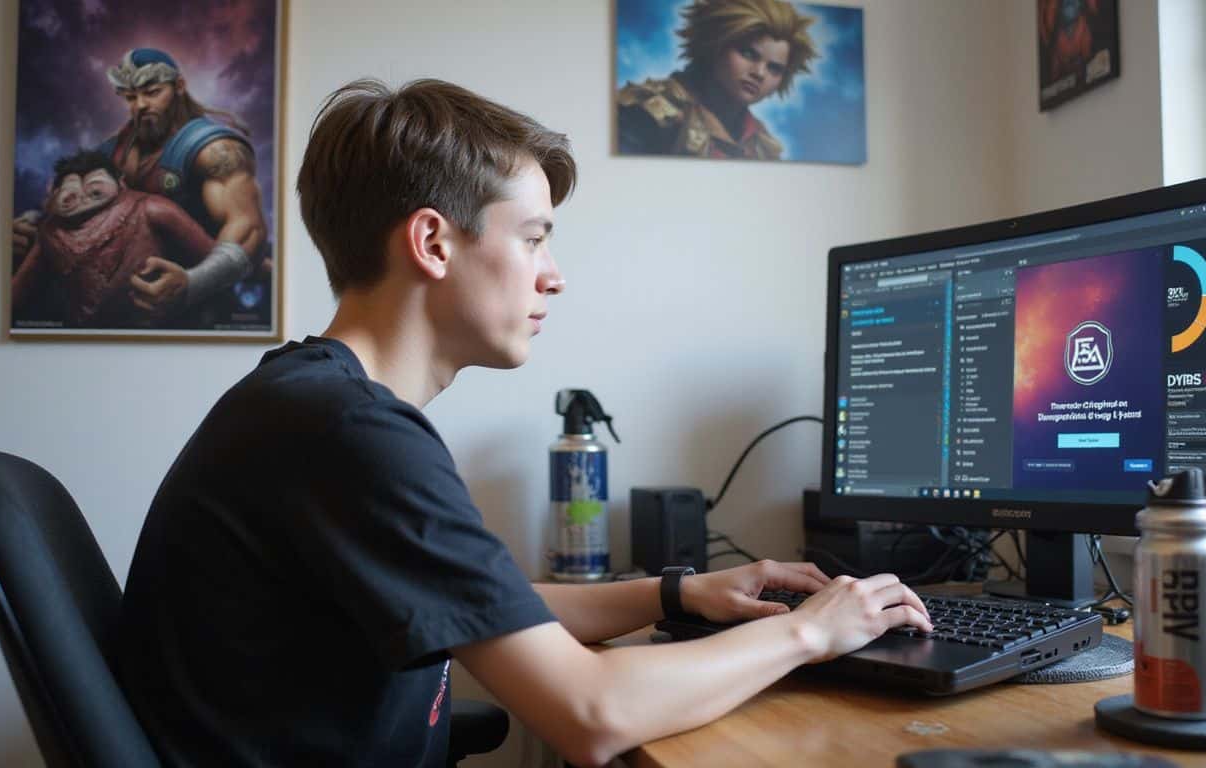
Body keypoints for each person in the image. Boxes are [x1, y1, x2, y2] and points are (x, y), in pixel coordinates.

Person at [116, 78, 932, 767]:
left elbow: (487, 607)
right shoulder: (350, 434)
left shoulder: (311, 402)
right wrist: (811, 634)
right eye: (535, 239)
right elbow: (592, 715)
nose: (554, 276)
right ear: (433, 242)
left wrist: (678, 592)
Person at [11, 48, 267, 326]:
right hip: (116, 300)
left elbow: (248, 230)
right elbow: (71, 200)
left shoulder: (216, 151)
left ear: (179, 86)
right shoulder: (117, 148)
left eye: (152, 92)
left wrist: (193, 283)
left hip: (199, 299)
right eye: (131, 97)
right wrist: (32, 222)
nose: (140, 105)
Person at [11, 149, 214, 327]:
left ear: (121, 183)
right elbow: (16, 294)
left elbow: (215, 262)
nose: (83, 198)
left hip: (155, 329)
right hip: (85, 337)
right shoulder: (51, 231)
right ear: (54, 194)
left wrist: (190, 284)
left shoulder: (150, 208)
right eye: (71, 194)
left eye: (95, 191)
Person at [617, 0, 819, 160]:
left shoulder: (764, 147)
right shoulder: (646, 113)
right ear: (715, 46)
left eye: (774, 68)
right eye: (748, 53)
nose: (759, 73)